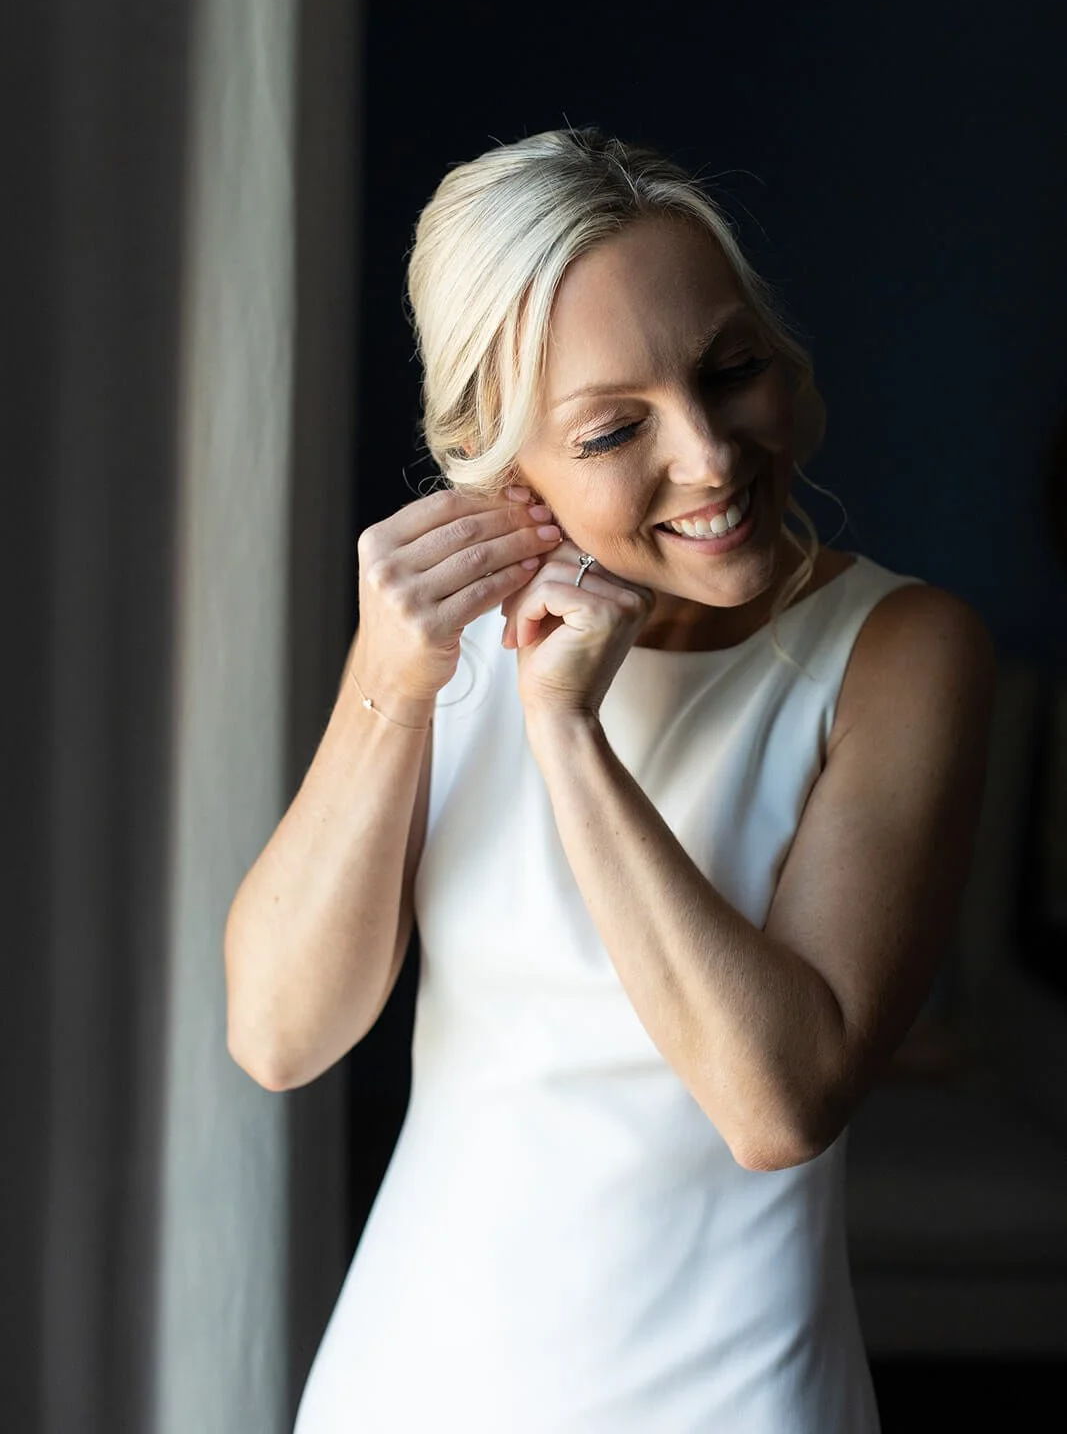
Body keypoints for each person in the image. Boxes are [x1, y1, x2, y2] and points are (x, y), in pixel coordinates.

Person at [225, 127, 996, 1432]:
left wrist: (566, 731)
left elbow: (777, 1102)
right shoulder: (441, 646)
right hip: (408, 1382)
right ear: (501, 461)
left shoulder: (898, 652)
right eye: (612, 428)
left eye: (729, 370)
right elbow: (280, 1036)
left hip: (731, 1401)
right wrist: (389, 683)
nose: (706, 455)